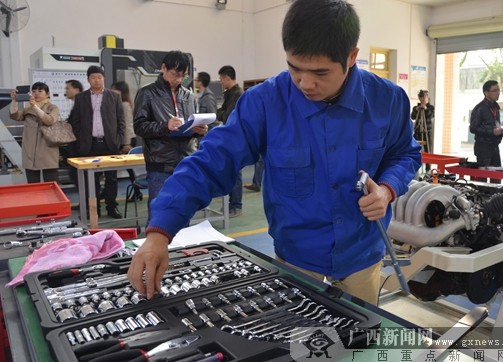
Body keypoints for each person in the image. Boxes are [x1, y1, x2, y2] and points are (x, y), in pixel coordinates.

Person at [128, 0, 421, 305]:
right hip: (296, 258)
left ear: (351, 57)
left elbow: (405, 154)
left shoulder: (387, 100)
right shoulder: (265, 102)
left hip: (362, 254)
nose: (305, 83)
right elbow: (210, 162)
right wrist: (160, 232)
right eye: (295, 68)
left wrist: (387, 190)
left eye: (320, 72)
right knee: (301, 342)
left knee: (359, 344)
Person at [133, 50, 208, 226]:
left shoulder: (188, 96)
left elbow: (191, 123)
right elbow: (139, 126)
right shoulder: (147, 93)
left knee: (183, 213)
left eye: (182, 76)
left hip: (186, 162)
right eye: (174, 74)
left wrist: (199, 129)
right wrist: (164, 126)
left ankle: (180, 251)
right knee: (159, 215)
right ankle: (155, 253)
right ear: (164, 68)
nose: (178, 80)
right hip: (160, 164)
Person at [68, 65, 125, 219]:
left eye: (99, 77)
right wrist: (81, 139)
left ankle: (112, 207)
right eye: (93, 77)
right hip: (90, 144)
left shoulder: (114, 97)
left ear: (103, 78)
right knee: (91, 180)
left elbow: (121, 121)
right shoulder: (81, 98)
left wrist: (119, 140)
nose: (97, 80)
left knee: (111, 178)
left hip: (110, 144)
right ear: (88, 80)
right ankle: (95, 209)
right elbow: (75, 121)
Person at [9, 82, 61, 183]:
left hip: (47, 151)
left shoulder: (52, 108)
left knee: (51, 185)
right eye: (34, 91)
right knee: (33, 185)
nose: (36, 93)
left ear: (47, 94)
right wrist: (14, 101)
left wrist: (35, 107)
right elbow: (14, 116)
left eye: (40, 91)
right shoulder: (27, 109)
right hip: (30, 152)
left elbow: (49, 120)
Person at [217, 65, 244, 217]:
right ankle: (231, 203)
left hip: (236, 138)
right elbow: (220, 113)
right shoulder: (229, 94)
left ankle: (237, 205)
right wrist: (222, 113)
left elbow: (226, 116)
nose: (221, 82)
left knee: (236, 172)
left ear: (227, 77)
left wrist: (222, 113)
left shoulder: (238, 94)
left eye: (221, 79)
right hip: (229, 137)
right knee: (230, 172)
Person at [111, 81, 143, 202]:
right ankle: (137, 191)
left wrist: (126, 143)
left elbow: (127, 125)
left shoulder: (124, 104)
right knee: (130, 169)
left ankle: (137, 191)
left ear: (121, 91)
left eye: (114, 89)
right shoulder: (122, 103)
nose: (112, 92)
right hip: (126, 139)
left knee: (130, 169)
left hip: (127, 139)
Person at [469, 80, 503, 168]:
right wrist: (492, 131)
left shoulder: (496, 108)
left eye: (498, 90)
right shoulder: (479, 108)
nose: (498, 93)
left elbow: (496, 125)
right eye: (494, 91)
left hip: (495, 146)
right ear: (486, 93)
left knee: (497, 175)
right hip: (483, 147)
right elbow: (473, 128)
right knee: (482, 176)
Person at [64, 79, 84, 190]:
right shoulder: (76, 104)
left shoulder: (82, 105)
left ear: (76, 89)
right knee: (75, 174)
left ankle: (87, 203)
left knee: (78, 175)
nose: (65, 91)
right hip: (75, 145)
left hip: (80, 146)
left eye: (68, 88)